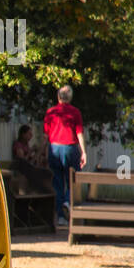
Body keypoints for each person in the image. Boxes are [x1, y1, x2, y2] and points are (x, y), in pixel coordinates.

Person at [44, 85, 86, 228]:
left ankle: (61, 217)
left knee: (57, 182)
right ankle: (67, 202)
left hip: (54, 147)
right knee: (73, 180)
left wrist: (43, 152)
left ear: (58, 97)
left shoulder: (51, 112)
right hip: (70, 147)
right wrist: (83, 152)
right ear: (70, 97)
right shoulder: (75, 112)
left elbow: (46, 135)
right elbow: (79, 133)